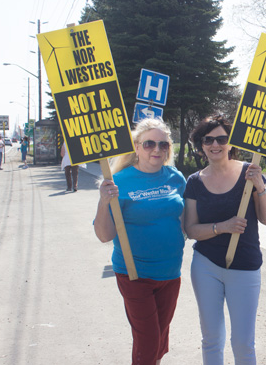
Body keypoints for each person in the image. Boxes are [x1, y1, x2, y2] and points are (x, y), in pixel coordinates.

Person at [93, 118, 187, 365]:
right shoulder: (119, 182)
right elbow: (104, 235)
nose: (157, 149)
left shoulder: (177, 178)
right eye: (149, 144)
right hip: (134, 273)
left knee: (158, 340)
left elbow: (188, 221)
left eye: (163, 144)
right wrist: (104, 202)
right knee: (147, 342)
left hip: (169, 273)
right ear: (136, 147)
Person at [184, 115, 266, 365]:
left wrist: (260, 187)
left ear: (231, 143)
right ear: (201, 146)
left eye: (222, 139)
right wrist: (223, 227)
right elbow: (190, 229)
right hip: (206, 266)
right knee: (211, 339)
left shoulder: (249, 172)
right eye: (208, 140)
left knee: (243, 343)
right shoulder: (195, 182)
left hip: (244, 266)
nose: (215, 144)